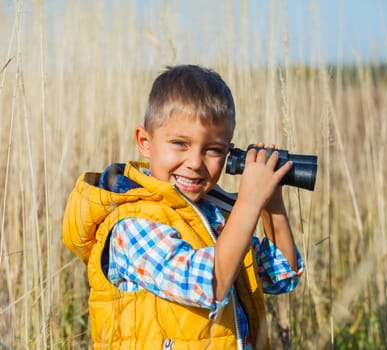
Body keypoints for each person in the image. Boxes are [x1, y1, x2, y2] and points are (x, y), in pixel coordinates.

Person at [62, 64, 304, 349]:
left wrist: (270, 199)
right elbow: (207, 285)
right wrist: (248, 202)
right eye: (180, 143)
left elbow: (280, 276)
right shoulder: (132, 224)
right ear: (145, 142)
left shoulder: (214, 214)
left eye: (213, 149)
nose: (195, 162)